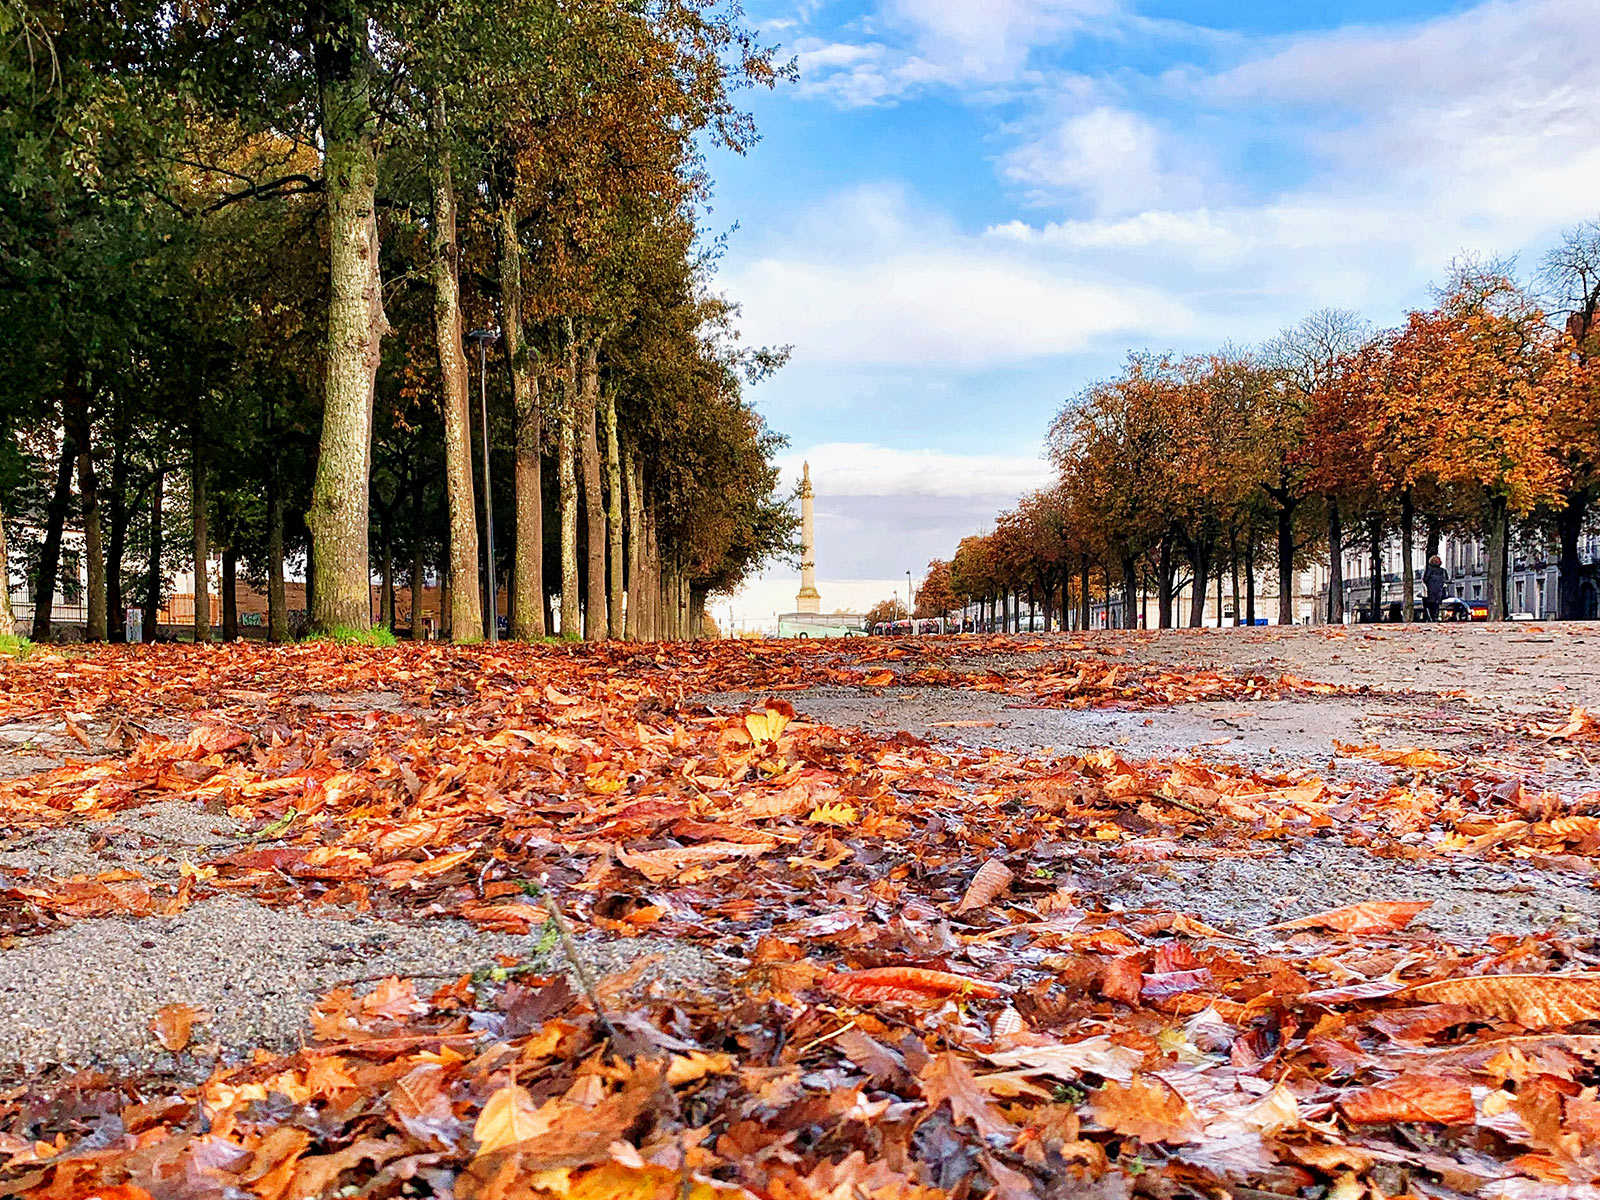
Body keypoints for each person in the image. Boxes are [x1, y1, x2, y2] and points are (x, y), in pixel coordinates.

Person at [1423, 554, 1448, 621]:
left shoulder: (1429, 570)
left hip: (1431, 591)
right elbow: (1446, 580)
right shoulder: (1442, 571)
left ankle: (1432, 617)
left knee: (1430, 605)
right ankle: (1435, 617)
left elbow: (1425, 579)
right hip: (1439, 591)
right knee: (1436, 605)